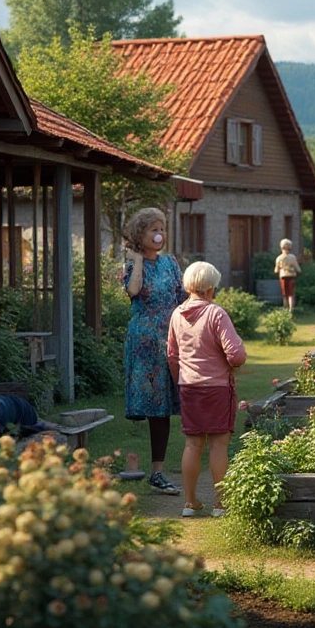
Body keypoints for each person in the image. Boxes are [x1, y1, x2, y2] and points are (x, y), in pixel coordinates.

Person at [166, 262, 247, 518]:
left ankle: (189, 503)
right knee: (218, 446)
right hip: (217, 388)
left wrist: (182, 380)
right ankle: (220, 504)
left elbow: (172, 355)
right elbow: (236, 355)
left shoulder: (177, 314)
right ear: (211, 287)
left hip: (188, 387)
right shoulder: (216, 313)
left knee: (192, 444)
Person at [122, 207, 184, 497]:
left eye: (163, 228)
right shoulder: (132, 265)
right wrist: (136, 261)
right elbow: (133, 292)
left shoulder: (171, 263)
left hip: (171, 339)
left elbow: (183, 297)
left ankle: (159, 471)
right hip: (145, 344)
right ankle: (157, 473)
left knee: (168, 406)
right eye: (153, 229)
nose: (160, 234)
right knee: (155, 406)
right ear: (141, 235)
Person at [274, 238, 301, 313]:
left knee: (284, 294)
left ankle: (285, 309)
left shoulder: (279, 258)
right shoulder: (292, 257)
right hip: (291, 276)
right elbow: (298, 269)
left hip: (283, 276)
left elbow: (276, 270)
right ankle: (291, 309)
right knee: (291, 294)